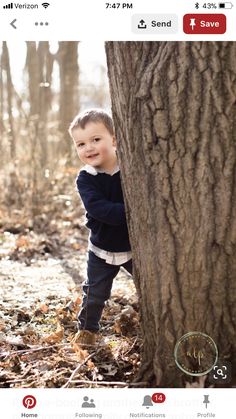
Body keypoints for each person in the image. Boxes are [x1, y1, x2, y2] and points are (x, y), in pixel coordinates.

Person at [69, 108, 132, 346]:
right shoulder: (86, 178)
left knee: (150, 286)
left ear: (114, 139)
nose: (89, 148)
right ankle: (87, 331)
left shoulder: (129, 169)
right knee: (95, 294)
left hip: (133, 247)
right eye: (81, 144)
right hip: (101, 250)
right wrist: (132, 213)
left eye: (96, 139)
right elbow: (98, 209)